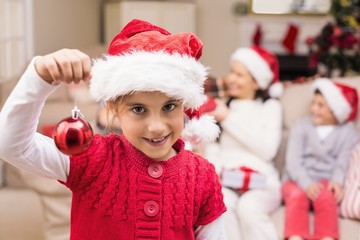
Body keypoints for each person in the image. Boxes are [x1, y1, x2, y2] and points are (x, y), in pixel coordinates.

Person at [0, 19, 226, 240]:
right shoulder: (92, 159)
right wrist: (38, 77)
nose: (156, 127)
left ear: (184, 105)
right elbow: (11, 146)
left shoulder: (202, 176)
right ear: (113, 108)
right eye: (138, 109)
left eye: (169, 107)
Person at [205, 46, 284, 240]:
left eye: (239, 75)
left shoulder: (270, 107)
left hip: (262, 179)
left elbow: (267, 150)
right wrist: (216, 170)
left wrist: (228, 118)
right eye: (232, 72)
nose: (231, 78)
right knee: (221, 207)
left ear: (256, 82)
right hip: (227, 176)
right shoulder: (224, 106)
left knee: (249, 209)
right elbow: (213, 147)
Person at [282, 78, 359, 240]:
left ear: (336, 111)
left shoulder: (348, 132)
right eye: (313, 103)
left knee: (326, 197)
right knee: (297, 196)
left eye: (321, 105)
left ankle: (327, 237)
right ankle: (295, 236)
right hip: (296, 179)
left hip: (326, 180)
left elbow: (342, 162)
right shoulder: (300, 126)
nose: (313, 109)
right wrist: (306, 183)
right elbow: (293, 161)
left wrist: (337, 182)